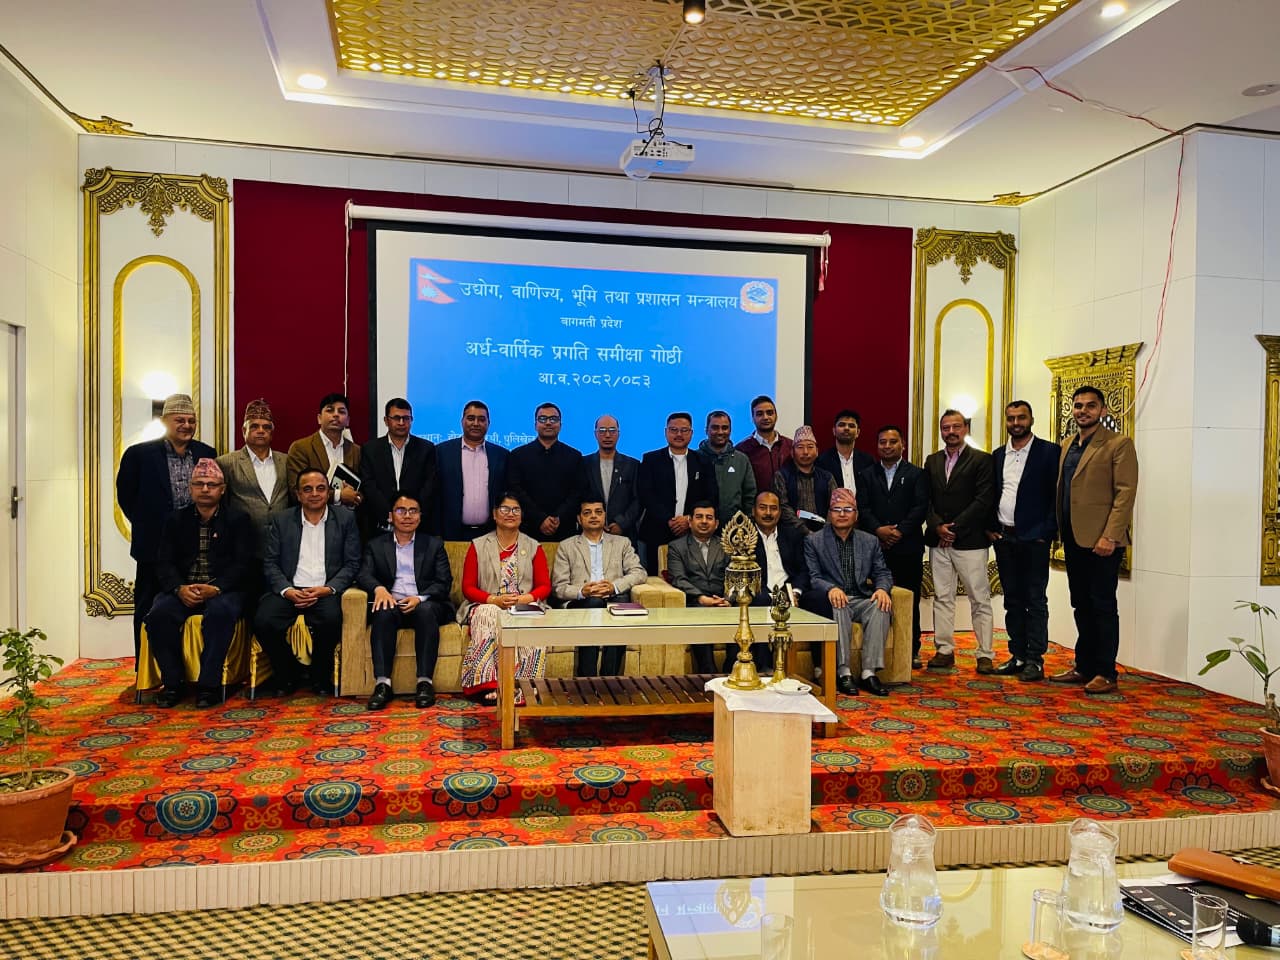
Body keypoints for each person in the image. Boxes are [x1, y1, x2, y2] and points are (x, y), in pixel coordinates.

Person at [1050, 385, 1138, 695]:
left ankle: (1106, 672)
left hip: (1103, 541)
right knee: (1081, 604)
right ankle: (1084, 666)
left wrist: (1110, 535)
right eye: (1078, 406)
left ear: (1102, 410)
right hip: (1073, 538)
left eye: (1090, 406)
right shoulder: (1066, 445)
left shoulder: (1118, 444)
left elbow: (1125, 494)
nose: (1083, 411)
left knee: (1102, 605)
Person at [145, 459, 255, 708]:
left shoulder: (238, 519)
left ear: (222, 489)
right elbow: (164, 562)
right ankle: (173, 684)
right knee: (158, 616)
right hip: (183, 589)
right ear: (190, 488)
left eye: (211, 485)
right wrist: (179, 588)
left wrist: (216, 588)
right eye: (199, 484)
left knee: (220, 614)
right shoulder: (175, 520)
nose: (205, 489)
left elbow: (243, 563)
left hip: (222, 590)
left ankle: (208, 686)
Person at [116, 393, 217, 660]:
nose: (186, 425)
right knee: (147, 607)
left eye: (191, 421)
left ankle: (187, 668)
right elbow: (126, 497)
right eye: (179, 420)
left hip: (195, 547)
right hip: (153, 546)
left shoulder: (206, 453)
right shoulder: (139, 455)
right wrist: (148, 524)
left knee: (188, 608)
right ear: (164, 421)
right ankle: (145, 670)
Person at [255, 467, 362, 696]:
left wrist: (328, 589)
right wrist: (287, 590)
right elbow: (270, 563)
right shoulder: (282, 520)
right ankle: (288, 673)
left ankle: (319, 677)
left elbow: (352, 563)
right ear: (298, 494)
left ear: (328, 492)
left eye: (320, 488)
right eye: (308, 489)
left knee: (331, 620)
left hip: (325, 590)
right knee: (264, 621)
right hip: (290, 589)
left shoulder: (345, 519)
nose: (314, 494)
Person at [356, 490, 454, 710]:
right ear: (391, 516)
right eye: (401, 511)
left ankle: (424, 683)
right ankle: (383, 684)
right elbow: (363, 574)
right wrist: (380, 589)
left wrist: (419, 598)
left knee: (425, 611)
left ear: (420, 516)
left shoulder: (434, 545)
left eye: (413, 511)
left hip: (425, 603)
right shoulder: (376, 545)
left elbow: (444, 582)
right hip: (392, 603)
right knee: (382, 612)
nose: (407, 516)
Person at [988, 401, 1060, 683]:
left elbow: (1056, 495)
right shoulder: (998, 455)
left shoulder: (1049, 452)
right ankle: (1017, 655)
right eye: (1011, 418)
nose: (1016, 423)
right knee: (1012, 600)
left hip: (1035, 539)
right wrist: (991, 529)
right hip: (1004, 537)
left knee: (1035, 600)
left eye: (1021, 417)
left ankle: (1035, 659)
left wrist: (1046, 532)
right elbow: (993, 492)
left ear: (1032, 419)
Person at [457, 493, 550, 701]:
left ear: (522, 515)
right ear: (494, 514)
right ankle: (486, 684)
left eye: (516, 509)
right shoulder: (478, 545)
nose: (510, 514)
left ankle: (525, 685)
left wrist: (524, 599)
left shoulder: (533, 546)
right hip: (487, 603)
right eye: (505, 509)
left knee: (533, 619)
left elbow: (544, 586)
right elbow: (468, 587)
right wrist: (494, 600)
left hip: (522, 604)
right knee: (489, 614)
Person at [923, 410, 996, 674]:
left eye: (956, 426)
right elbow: (926, 499)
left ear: (965, 428)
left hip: (970, 541)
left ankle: (985, 654)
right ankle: (944, 650)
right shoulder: (932, 461)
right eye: (946, 428)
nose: (951, 432)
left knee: (979, 598)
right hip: (939, 541)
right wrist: (937, 526)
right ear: (940, 430)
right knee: (942, 597)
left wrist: (953, 529)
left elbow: (983, 499)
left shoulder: (982, 459)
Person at [803, 488, 894, 696]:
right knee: (839, 605)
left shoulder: (869, 541)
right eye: (837, 510)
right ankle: (843, 672)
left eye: (848, 509)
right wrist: (831, 588)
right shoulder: (814, 541)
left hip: (861, 598)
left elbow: (882, 572)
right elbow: (813, 577)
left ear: (856, 514)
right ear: (829, 514)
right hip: (834, 598)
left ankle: (869, 673)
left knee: (881, 605)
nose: (842, 514)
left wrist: (882, 589)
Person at [857, 425, 929, 668]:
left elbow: (920, 508)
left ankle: (911, 650)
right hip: (876, 548)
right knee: (877, 599)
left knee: (910, 600)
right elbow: (863, 508)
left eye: (892, 442)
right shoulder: (867, 474)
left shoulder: (917, 474)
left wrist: (899, 531)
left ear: (902, 445)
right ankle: (880, 649)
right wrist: (879, 530)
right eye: (882, 442)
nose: (887, 446)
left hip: (907, 547)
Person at [551, 498, 647, 676]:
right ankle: (588, 677)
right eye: (587, 513)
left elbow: (639, 573)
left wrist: (614, 587)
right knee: (595, 603)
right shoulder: (567, 546)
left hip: (613, 600)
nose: (593, 516)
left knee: (620, 606)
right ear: (579, 519)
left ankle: (609, 678)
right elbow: (559, 587)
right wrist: (582, 591)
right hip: (581, 604)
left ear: (605, 516)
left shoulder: (622, 543)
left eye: (598, 512)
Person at [637, 412, 717, 574]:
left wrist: (688, 519)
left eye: (684, 430)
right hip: (657, 531)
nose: (679, 434)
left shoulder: (703, 461)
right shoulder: (651, 460)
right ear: (666, 432)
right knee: (656, 579)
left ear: (691, 433)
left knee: (691, 577)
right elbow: (646, 495)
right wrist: (670, 520)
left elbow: (711, 496)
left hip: (692, 532)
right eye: (674, 430)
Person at [216, 398, 288, 567]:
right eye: (254, 426)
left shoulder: (287, 461)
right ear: (244, 430)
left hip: (282, 546)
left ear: (272, 432)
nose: (261, 431)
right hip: (242, 547)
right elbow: (221, 506)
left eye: (266, 427)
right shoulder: (226, 463)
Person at [747, 490, 811, 670]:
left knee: (819, 598)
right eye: (763, 508)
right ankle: (764, 666)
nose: (768, 513)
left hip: (789, 591)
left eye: (773, 508)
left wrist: (795, 592)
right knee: (761, 599)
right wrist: (775, 597)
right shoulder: (745, 536)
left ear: (780, 512)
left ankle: (823, 667)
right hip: (760, 592)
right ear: (753, 511)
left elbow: (803, 570)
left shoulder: (792, 535)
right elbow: (745, 573)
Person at [667, 501, 731, 674]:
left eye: (709, 517)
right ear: (689, 521)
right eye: (699, 517)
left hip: (724, 602)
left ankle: (732, 668)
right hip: (695, 603)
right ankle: (708, 671)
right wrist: (702, 598)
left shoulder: (727, 545)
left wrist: (727, 599)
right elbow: (678, 579)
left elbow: (735, 576)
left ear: (716, 523)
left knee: (740, 613)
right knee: (698, 614)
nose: (704, 521)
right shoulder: (676, 547)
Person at [359, 398, 438, 538]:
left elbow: (429, 485)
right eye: (396, 418)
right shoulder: (370, 449)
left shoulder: (426, 449)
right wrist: (391, 514)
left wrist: (411, 513)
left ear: (411, 420)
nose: (401, 423)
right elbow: (369, 485)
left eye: (406, 418)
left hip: (417, 526)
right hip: (380, 525)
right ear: (386, 420)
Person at [505, 402, 583, 542]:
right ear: (535, 425)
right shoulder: (518, 455)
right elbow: (516, 490)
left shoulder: (574, 456)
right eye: (542, 419)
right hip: (527, 530)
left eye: (553, 419)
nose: (548, 423)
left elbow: (577, 492)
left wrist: (558, 517)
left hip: (565, 530)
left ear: (560, 425)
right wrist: (539, 518)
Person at [436, 400, 508, 540]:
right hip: (451, 533)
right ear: (462, 421)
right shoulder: (442, 452)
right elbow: (436, 496)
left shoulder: (501, 455)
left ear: (488, 423)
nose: (476, 423)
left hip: (491, 533)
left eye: (481, 419)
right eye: (471, 418)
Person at [286, 392, 362, 513]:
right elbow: (296, 491)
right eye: (330, 410)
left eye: (341, 412)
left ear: (348, 421)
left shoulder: (356, 451)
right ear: (319, 418)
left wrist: (355, 497)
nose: (336, 415)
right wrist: (339, 495)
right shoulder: (300, 448)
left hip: (348, 520)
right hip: (311, 518)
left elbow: (363, 490)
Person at [581, 414, 641, 541]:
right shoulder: (583, 464)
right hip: (590, 533)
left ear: (618, 434)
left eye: (612, 430)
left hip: (624, 534)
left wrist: (621, 523)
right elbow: (578, 497)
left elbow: (638, 500)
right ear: (595, 434)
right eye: (602, 430)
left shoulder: (632, 465)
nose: (607, 435)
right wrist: (596, 522)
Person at [773, 426, 837, 534]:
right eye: (800, 447)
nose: (806, 452)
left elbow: (835, 506)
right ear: (792, 452)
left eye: (810, 447)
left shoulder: (827, 477)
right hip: (791, 534)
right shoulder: (781, 476)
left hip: (824, 535)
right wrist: (805, 532)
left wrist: (824, 533)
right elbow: (783, 508)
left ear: (817, 451)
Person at [698, 410, 757, 524]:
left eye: (724, 428)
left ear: (730, 430)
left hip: (734, 527)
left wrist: (746, 522)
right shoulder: (695, 459)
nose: (720, 432)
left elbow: (750, 495)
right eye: (715, 427)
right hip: (702, 527)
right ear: (706, 430)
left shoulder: (741, 460)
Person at [736, 395, 792, 495]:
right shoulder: (741, 450)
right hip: (757, 504)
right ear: (753, 418)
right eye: (759, 414)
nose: (765, 417)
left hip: (787, 503)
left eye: (769, 413)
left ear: (776, 416)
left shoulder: (790, 446)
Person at [817, 409, 876, 495]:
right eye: (842, 425)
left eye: (851, 426)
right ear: (834, 431)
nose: (846, 428)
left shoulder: (868, 461)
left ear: (858, 432)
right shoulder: (822, 461)